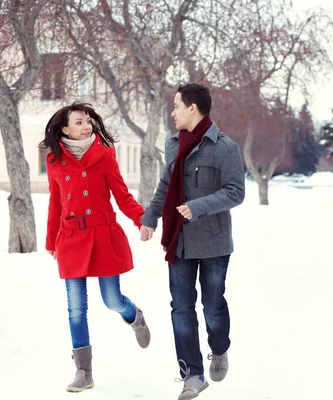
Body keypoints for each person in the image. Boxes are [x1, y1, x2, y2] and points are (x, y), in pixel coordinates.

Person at [140, 83, 245, 400]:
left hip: (213, 243)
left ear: (193, 109)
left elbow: (235, 192)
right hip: (180, 242)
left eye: (176, 106)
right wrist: (150, 217)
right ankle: (192, 375)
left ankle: (220, 348)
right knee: (181, 309)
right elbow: (164, 185)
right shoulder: (173, 145)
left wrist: (198, 207)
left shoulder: (225, 148)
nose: (172, 113)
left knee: (212, 307)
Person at [42, 102, 151, 393]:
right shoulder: (54, 160)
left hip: (102, 236)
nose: (86, 125)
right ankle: (84, 372)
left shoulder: (104, 155)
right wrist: (51, 239)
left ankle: (134, 316)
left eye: (88, 120)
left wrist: (141, 219)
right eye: (78, 122)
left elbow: (122, 194)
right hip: (71, 238)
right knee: (76, 309)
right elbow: (56, 202)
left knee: (111, 300)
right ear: (65, 129)